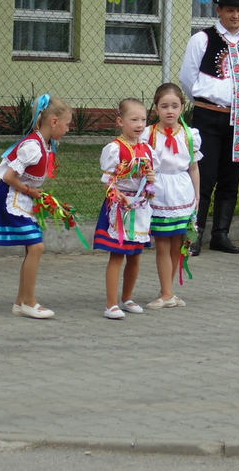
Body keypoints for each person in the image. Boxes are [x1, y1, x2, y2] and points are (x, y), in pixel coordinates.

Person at [179, 0, 239, 256]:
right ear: (219, 11)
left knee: (231, 175)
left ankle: (221, 234)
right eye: (230, 10)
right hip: (208, 116)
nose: (235, 15)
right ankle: (194, 234)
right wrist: (208, 99)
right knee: (203, 176)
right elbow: (188, 77)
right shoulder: (202, 39)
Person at [0, 94, 72, 319]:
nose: (68, 129)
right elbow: (9, 177)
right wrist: (29, 191)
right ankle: (29, 302)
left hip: (23, 196)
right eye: (67, 124)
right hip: (12, 197)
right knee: (36, 246)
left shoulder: (46, 144)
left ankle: (20, 301)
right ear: (54, 121)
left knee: (33, 246)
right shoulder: (32, 146)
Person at [94, 98, 155, 320]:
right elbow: (108, 180)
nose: (139, 124)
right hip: (120, 208)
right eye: (134, 120)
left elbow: (150, 179)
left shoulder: (147, 148)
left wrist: (151, 178)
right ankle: (111, 304)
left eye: (143, 120)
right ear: (120, 121)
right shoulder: (115, 148)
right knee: (118, 255)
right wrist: (117, 195)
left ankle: (127, 298)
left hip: (140, 207)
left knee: (136, 255)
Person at [141, 83, 201, 309]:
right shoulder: (149, 134)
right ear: (156, 107)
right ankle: (166, 292)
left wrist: (197, 197)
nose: (170, 111)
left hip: (182, 193)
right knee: (162, 244)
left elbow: (193, 167)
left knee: (178, 245)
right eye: (164, 106)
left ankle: (168, 291)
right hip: (159, 192)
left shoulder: (190, 135)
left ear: (182, 108)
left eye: (174, 106)